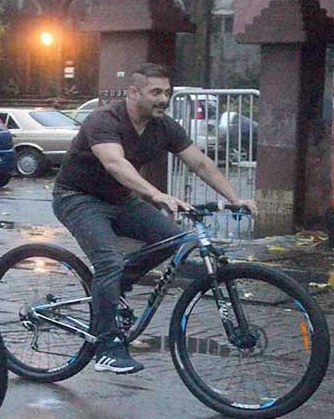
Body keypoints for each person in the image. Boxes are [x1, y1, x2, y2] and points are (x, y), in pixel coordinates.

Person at [52, 63, 257, 374]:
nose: (164, 99)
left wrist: (234, 198)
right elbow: (115, 164)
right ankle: (105, 346)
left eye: (168, 93)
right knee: (108, 261)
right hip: (78, 198)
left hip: (121, 199)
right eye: (156, 92)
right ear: (133, 93)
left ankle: (112, 289)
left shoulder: (163, 127)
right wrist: (157, 195)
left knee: (174, 240)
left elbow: (200, 163)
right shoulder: (104, 120)